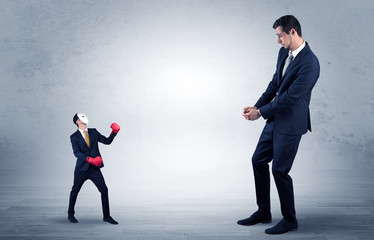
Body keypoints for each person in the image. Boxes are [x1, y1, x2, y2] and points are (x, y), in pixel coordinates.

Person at [237, 15, 320, 234]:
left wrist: (261, 113)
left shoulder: (310, 63)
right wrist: (256, 107)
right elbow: (275, 84)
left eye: (280, 36)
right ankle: (263, 212)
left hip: (291, 122)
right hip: (275, 118)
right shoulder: (284, 52)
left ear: (293, 32)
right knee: (257, 160)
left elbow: (290, 97)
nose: (278, 41)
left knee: (280, 170)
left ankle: (290, 219)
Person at [68, 113, 121, 224]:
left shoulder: (93, 132)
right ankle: (70, 214)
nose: (84, 118)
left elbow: (107, 141)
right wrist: (90, 160)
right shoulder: (74, 137)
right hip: (81, 169)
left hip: (94, 169)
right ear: (77, 121)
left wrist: (114, 132)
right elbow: (76, 153)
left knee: (104, 190)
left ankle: (106, 216)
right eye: (81, 117)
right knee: (75, 191)